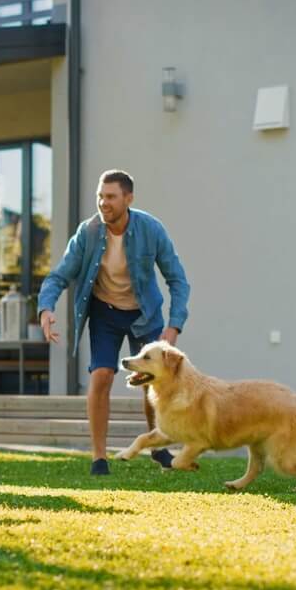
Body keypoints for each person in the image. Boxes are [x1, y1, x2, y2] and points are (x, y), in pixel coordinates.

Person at [37, 170, 190, 475]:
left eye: (110, 197)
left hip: (144, 313)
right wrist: (45, 308)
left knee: (154, 382)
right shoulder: (88, 232)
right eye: (100, 196)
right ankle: (99, 457)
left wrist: (173, 326)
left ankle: (158, 447)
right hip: (105, 312)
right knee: (102, 376)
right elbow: (59, 275)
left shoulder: (151, 229)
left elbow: (178, 280)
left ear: (128, 199)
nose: (103, 203)